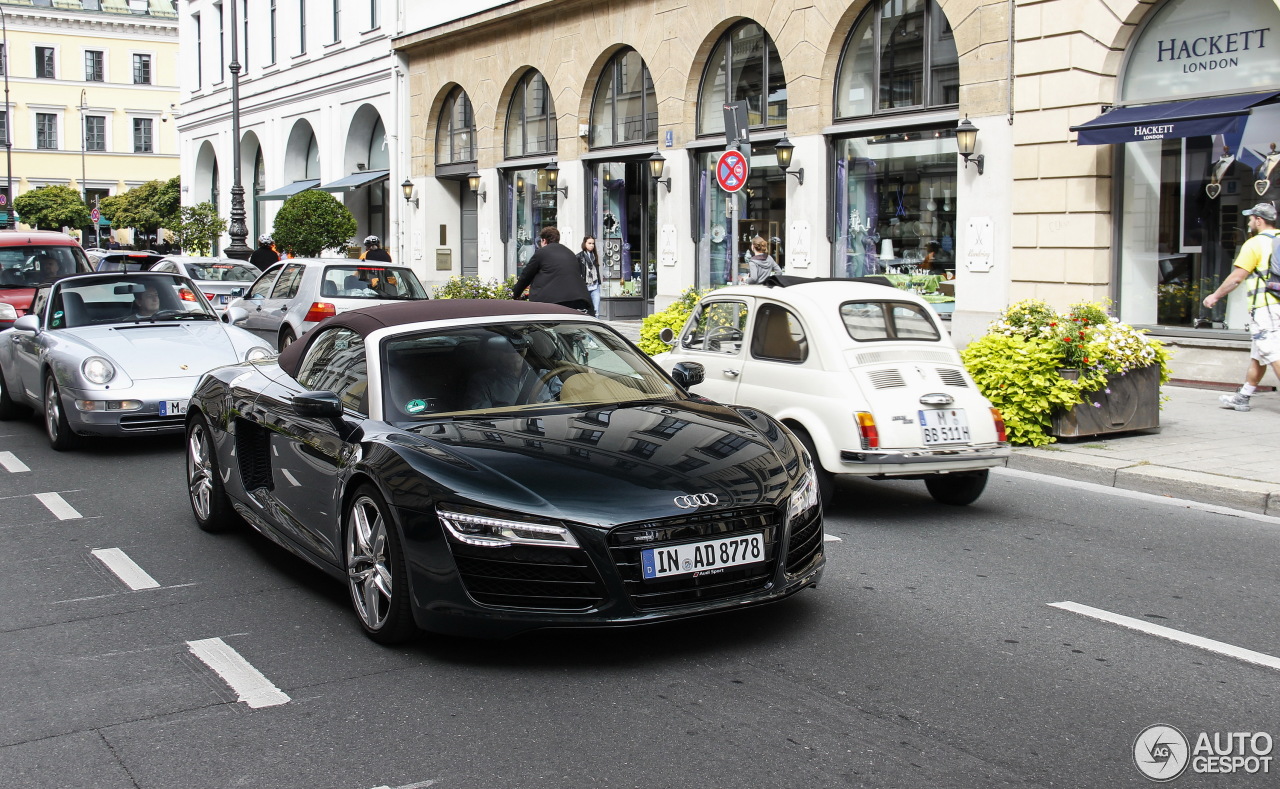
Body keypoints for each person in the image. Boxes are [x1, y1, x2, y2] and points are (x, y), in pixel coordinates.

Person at [1202, 201, 1280, 412]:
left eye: (1251, 218)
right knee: (1259, 354)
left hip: (1266, 308)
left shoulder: (1255, 244)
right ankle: (1243, 396)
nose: (1248, 221)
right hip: (1276, 306)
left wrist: (1215, 296)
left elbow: (1237, 277)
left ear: (1259, 220)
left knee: (1272, 353)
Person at [511, 226, 594, 314]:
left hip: (550, 302)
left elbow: (526, 276)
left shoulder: (541, 253)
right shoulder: (570, 253)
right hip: (578, 300)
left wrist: (516, 294)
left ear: (544, 241)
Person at [464, 336, 560, 409]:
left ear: (526, 348)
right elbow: (482, 420)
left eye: (519, 346)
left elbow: (568, 399)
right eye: (506, 348)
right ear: (495, 353)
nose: (514, 351)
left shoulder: (547, 376)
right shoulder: (482, 382)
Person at [577, 236, 603, 317]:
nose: (592, 245)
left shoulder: (594, 256)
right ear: (585, 244)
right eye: (589, 243)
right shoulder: (579, 256)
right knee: (585, 310)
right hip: (585, 286)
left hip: (595, 286)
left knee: (596, 310)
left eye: (593, 244)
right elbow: (577, 271)